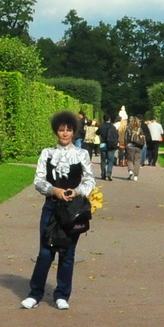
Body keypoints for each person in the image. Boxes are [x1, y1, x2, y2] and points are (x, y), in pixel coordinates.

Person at [24, 110, 96, 310]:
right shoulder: (47, 153)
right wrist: (53, 190)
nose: (65, 134)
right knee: (45, 252)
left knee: (68, 252)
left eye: (68, 130)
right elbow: (38, 180)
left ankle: (62, 294)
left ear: (73, 132)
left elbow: (90, 179)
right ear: (56, 132)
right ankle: (35, 293)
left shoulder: (82, 154)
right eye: (61, 130)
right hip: (51, 207)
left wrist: (78, 191)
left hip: (72, 209)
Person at [96, 112, 121, 181]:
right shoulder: (112, 127)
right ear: (109, 119)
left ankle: (103, 173)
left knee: (103, 160)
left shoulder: (101, 126)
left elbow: (97, 133)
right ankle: (109, 173)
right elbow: (116, 135)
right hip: (111, 145)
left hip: (103, 144)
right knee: (110, 160)